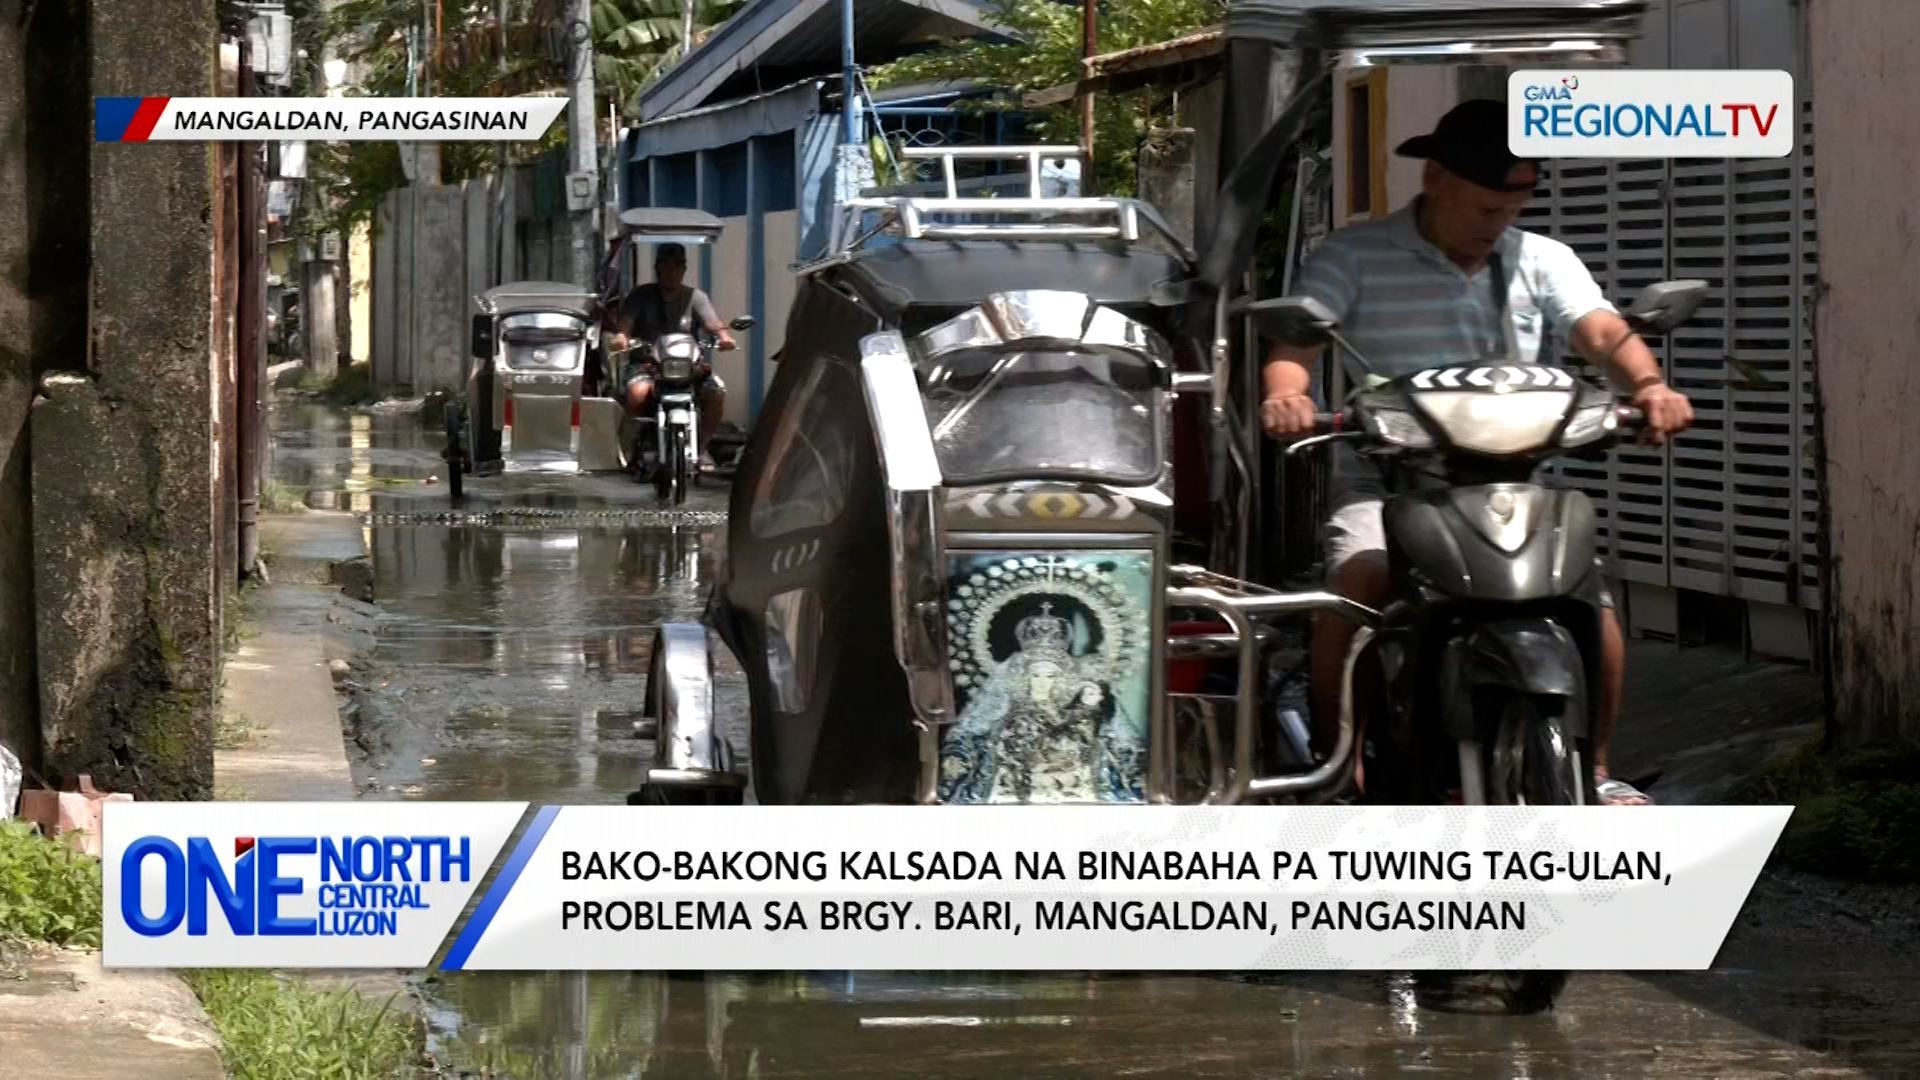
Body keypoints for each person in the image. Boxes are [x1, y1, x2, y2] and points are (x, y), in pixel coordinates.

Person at [1261, 98, 1695, 807]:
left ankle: (1596, 772)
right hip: (1388, 481)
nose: (1501, 223)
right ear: (1434, 178)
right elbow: (1295, 347)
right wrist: (1287, 395)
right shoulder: (1353, 254)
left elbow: (1600, 332)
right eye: (1487, 207)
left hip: (1512, 483)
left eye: (1513, 207)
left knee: (1593, 599)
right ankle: (1341, 769)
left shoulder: (1543, 258)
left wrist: (1649, 385)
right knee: (1361, 581)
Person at [607, 242, 736, 472]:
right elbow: (626, 321)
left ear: (684, 269)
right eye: (665, 266)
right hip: (647, 364)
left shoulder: (695, 297)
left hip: (688, 367)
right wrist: (621, 336)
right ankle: (632, 446)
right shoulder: (641, 295)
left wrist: (724, 336)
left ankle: (702, 448)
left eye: (677, 266)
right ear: (657, 268)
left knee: (716, 392)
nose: (671, 272)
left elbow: (712, 322)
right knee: (637, 393)